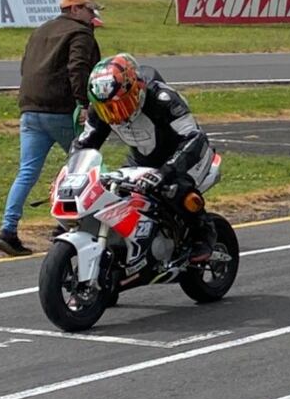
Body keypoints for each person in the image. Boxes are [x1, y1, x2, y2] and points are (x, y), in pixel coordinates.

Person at [72, 54, 216, 262]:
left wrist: (167, 171)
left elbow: (194, 138)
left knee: (175, 190)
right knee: (115, 192)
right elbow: (84, 144)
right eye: (108, 109)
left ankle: (204, 232)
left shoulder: (163, 99)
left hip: (186, 154)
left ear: (136, 89)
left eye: (122, 104)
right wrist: (71, 173)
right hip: (143, 158)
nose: (116, 114)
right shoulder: (104, 109)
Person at [0, 0, 103, 256]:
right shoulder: (80, 33)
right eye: (90, 10)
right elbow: (77, 68)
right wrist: (84, 104)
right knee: (82, 166)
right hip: (62, 110)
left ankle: (7, 229)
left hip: (30, 109)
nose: (93, 16)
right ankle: (65, 224)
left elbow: (24, 66)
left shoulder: (41, 30)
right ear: (75, 9)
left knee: (27, 171)